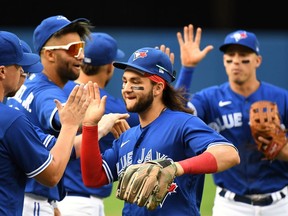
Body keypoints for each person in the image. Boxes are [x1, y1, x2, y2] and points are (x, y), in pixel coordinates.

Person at [79, 45, 240, 215]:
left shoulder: (182, 123)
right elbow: (93, 178)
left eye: (136, 82)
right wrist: (90, 126)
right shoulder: (127, 137)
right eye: (125, 81)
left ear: (157, 88)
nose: (126, 89)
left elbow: (229, 154)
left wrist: (175, 168)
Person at [174, 25, 288, 216]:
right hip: (230, 206)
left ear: (257, 60)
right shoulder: (210, 98)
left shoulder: (281, 98)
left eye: (244, 56)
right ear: (224, 62)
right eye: (231, 56)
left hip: (280, 203)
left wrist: (282, 150)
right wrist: (187, 69)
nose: (236, 61)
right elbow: (177, 115)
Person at [0, 30, 104, 215]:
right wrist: (70, 124)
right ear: (2, 72)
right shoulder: (10, 120)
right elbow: (52, 174)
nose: (23, 73)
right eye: (19, 67)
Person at [58, 32, 139, 215]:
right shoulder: (107, 106)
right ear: (110, 67)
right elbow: (163, 115)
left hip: (54, 198)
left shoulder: (58, 91)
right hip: (82, 203)